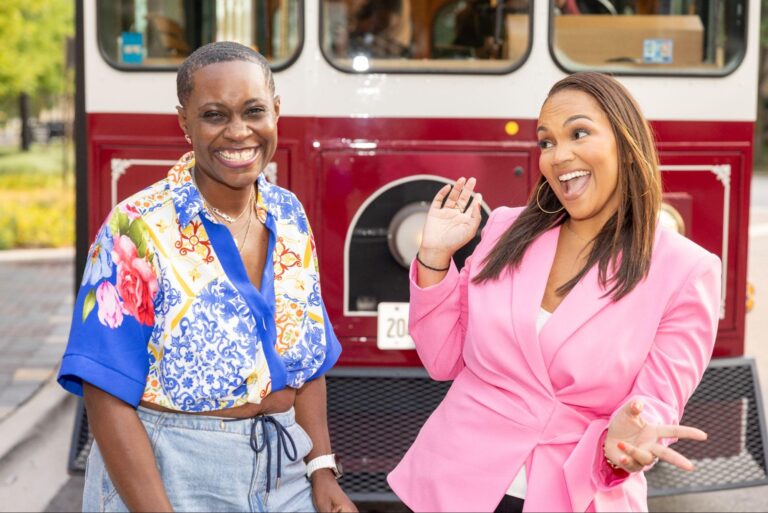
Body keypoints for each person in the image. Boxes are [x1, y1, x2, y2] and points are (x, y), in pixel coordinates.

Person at [387, 71, 720, 512]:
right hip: (453, 485)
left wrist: (623, 438)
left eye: (578, 133)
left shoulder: (687, 270)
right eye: (546, 142)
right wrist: (433, 258)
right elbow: (443, 357)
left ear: (625, 141)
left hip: (575, 494)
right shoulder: (506, 228)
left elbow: (656, 401)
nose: (558, 156)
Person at [57, 41, 357, 513]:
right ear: (185, 122)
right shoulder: (136, 226)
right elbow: (104, 393)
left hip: (285, 465)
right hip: (172, 470)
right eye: (215, 115)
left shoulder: (290, 215)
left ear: (276, 112)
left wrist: (321, 468)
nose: (238, 133)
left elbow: (308, 361)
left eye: (254, 111)